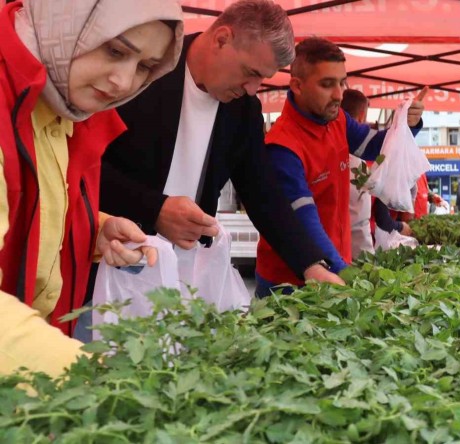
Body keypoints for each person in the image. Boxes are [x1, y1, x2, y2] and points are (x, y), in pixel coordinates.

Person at [98, 0, 344, 296]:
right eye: (250, 72)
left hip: (184, 276)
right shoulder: (144, 72)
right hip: (106, 267)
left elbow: (263, 193)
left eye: (263, 79)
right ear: (221, 39)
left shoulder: (243, 110)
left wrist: (310, 264)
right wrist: (155, 209)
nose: (253, 88)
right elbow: (85, 169)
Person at [0, 0, 184, 374]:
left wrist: (90, 227)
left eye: (145, 67)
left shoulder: (63, 102)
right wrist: (97, 383)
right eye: (114, 50)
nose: (125, 82)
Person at [258, 37, 427, 294]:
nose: (339, 94)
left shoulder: (336, 119)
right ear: (297, 86)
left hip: (334, 268)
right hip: (289, 284)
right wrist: (350, 278)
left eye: (342, 82)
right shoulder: (282, 147)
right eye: (327, 84)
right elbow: (305, 223)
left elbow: (375, 146)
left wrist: (405, 125)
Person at [341, 89, 412, 258]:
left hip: (331, 255)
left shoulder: (339, 154)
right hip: (354, 254)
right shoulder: (363, 163)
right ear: (361, 116)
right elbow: (370, 217)